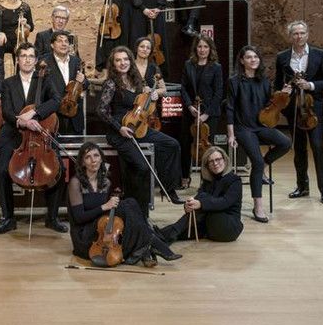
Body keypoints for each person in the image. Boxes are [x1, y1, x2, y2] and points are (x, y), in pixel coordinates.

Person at [97, 46, 183, 217]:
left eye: (126, 59)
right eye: (118, 60)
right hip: (119, 132)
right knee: (142, 168)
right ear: (113, 64)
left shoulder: (137, 82)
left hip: (139, 128)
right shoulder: (111, 83)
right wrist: (118, 127)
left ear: (130, 61)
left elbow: (144, 107)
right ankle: (138, 211)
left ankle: (169, 188)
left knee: (172, 145)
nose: (123, 63)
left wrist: (152, 97)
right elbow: (101, 110)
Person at [68, 142, 180, 267]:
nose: (93, 160)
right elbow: (78, 218)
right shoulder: (75, 183)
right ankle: (151, 244)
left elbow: (107, 215)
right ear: (83, 162)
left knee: (130, 203)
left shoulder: (105, 182)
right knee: (127, 205)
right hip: (85, 237)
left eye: (96, 156)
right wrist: (104, 207)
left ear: (101, 159)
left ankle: (144, 249)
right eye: (88, 157)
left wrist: (109, 206)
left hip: (102, 232)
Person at [0, 43, 63, 235]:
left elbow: (56, 101)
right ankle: (8, 218)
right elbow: (6, 111)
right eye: (23, 56)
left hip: (40, 133)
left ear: (36, 60)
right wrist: (22, 122)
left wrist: (35, 113)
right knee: (2, 169)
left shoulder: (45, 79)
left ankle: (52, 218)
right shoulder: (8, 83)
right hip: (14, 134)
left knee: (58, 170)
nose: (27, 59)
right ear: (17, 60)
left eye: (31, 56)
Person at [226, 46, 291, 223]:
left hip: (260, 126)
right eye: (249, 57)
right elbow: (230, 109)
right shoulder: (234, 81)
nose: (253, 60)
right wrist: (231, 135)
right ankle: (258, 206)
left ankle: (263, 165)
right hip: (243, 128)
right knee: (256, 160)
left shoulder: (264, 81)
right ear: (242, 61)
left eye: (256, 57)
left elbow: (269, 105)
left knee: (285, 142)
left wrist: (282, 96)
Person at [275, 21, 323, 204]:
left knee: (317, 147)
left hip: (313, 110)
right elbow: (277, 84)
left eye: (302, 33)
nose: (299, 36)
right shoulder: (282, 57)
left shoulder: (319, 54)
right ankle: (302, 187)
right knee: (299, 149)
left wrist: (310, 85)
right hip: (294, 110)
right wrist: (283, 90)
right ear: (290, 36)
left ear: (307, 35)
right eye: (295, 34)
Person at [157, 146, 243, 244]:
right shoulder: (208, 181)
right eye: (211, 161)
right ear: (207, 166)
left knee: (204, 202)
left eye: (218, 159)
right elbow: (199, 200)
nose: (215, 163)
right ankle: (158, 237)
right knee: (182, 232)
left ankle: (164, 234)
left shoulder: (234, 180)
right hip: (210, 226)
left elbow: (224, 202)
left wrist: (200, 204)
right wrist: (189, 205)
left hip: (228, 227)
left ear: (225, 160)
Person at [179, 34, 223, 188]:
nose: (202, 50)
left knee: (207, 147)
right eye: (199, 46)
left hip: (210, 113)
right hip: (191, 111)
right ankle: (185, 176)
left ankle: (207, 179)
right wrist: (190, 106)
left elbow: (219, 93)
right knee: (186, 144)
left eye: (205, 47)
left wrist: (206, 114)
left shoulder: (216, 67)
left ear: (210, 49)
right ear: (195, 48)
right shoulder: (188, 64)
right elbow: (183, 87)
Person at [45, 30, 87, 136]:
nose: (64, 44)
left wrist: (83, 81)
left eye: (66, 41)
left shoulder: (76, 61)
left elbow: (86, 85)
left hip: (75, 115)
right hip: (54, 116)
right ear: (52, 45)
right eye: (60, 41)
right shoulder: (45, 62)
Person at [0, 0, 34, 72]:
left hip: (20, 39)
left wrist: (26, 25)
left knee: (23, 50)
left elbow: (31, 27)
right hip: (5, 39)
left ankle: (19, 79)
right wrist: (1, 34)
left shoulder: (25, 7)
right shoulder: (0, 8)